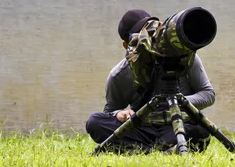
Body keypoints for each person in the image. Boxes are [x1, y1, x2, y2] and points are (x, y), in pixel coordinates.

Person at [85, 9, 216, 154]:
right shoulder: (119, 74)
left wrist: (177, 102)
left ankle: (144, 150)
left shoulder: (184, 58)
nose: (147, 37)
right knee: (95, 122)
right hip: (142, 128)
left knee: (200, 130)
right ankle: (163, 150)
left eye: (150, 30)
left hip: (175, 125)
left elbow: (208, 94)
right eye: (140, 35)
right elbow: (109, 113)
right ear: (126, 45)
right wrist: (119, 114)